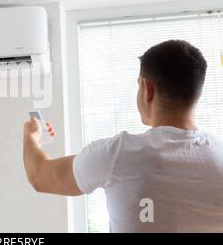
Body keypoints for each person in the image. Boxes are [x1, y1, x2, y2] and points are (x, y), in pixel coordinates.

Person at [23, 40, 223, 232]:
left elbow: (40, 177)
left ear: (147, 89)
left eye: (138, 85)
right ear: (196, 92)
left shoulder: (118, 154)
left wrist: (31, 137)